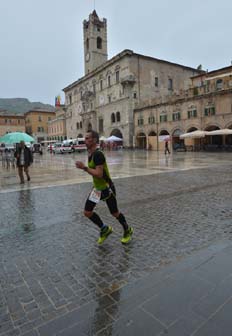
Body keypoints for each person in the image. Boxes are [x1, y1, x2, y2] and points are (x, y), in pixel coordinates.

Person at [75, 130, 133, 245]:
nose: (85, 140)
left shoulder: (98, 154)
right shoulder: (90, 153)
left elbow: (99, 174)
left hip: (106, 189)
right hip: (97, 189)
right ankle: (104, 229)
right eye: (85, 138)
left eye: (87, 138)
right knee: (87, 212)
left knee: (115, 213)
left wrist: (84, 168)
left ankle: (127, 230)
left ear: (94, 140)